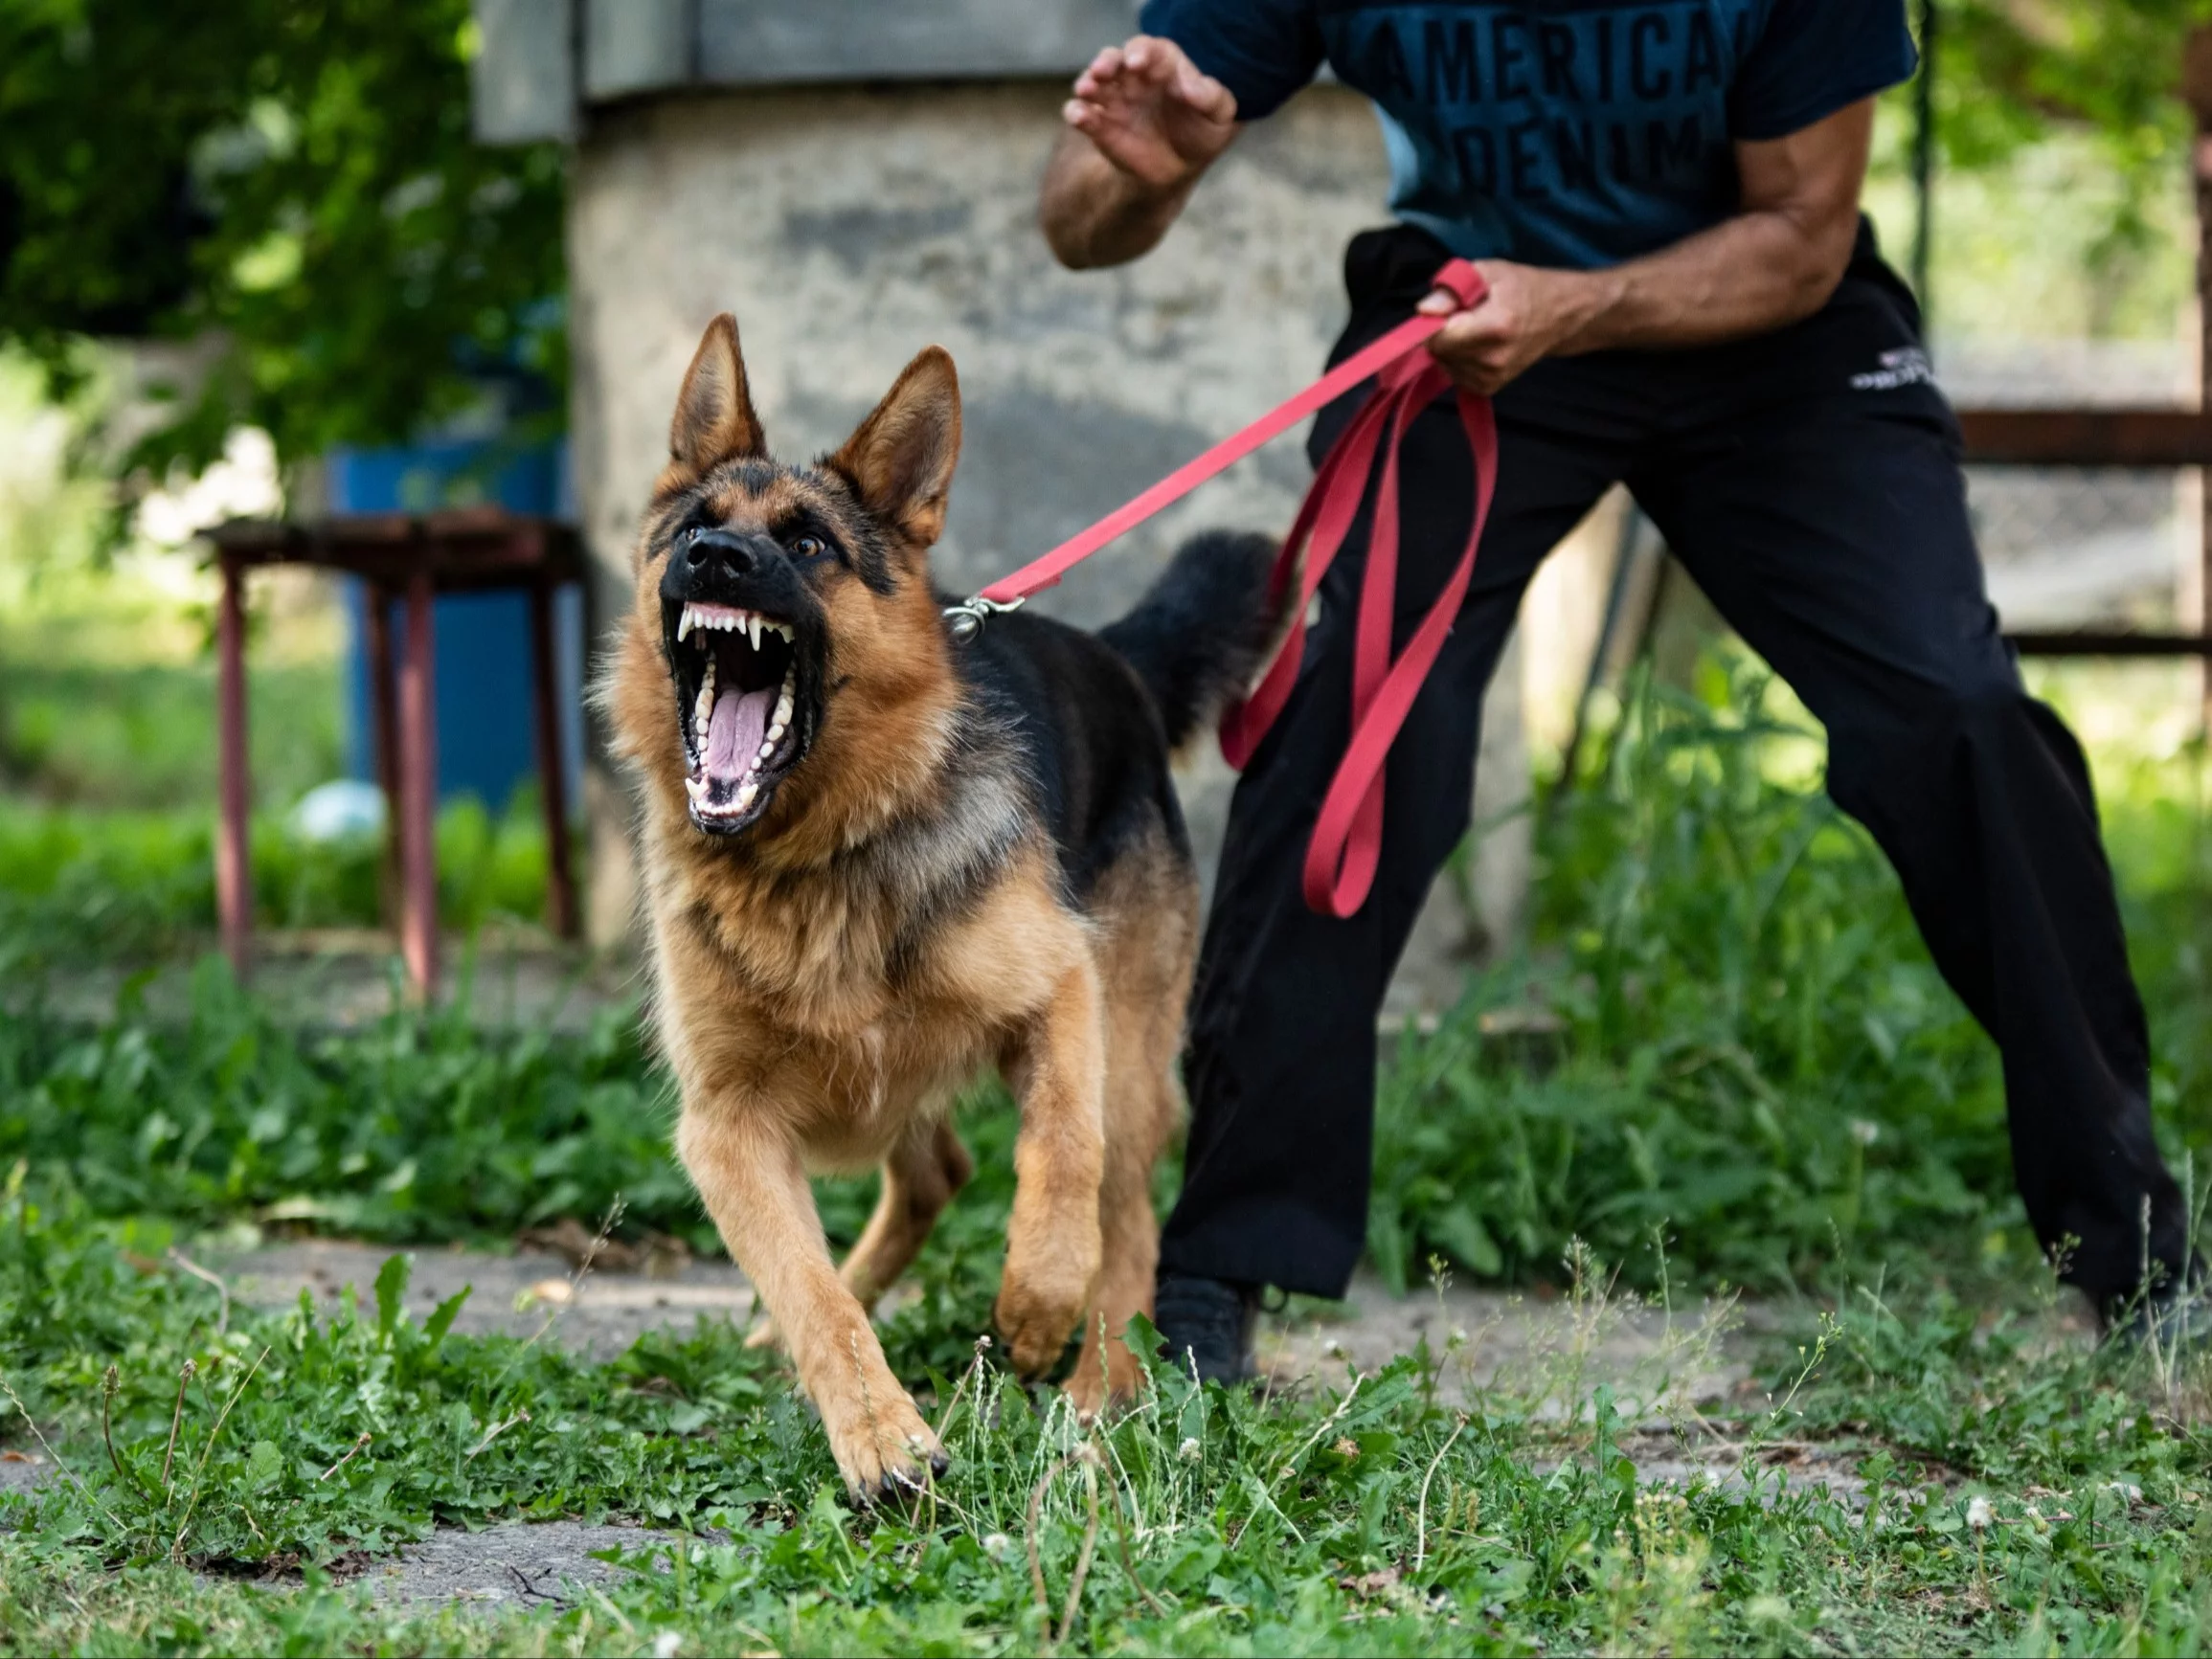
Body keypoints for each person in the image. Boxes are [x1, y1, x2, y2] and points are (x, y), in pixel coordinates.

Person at [1037, 1, 2196, 1379]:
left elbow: (1802, 233)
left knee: (1957, 720)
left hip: (1769, 336)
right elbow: (1077, 218)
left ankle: (2135, 1252)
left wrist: (1579, 303)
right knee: (1349, 715)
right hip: (1469, 321)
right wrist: (1140, 170)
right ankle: (1219, 1266)